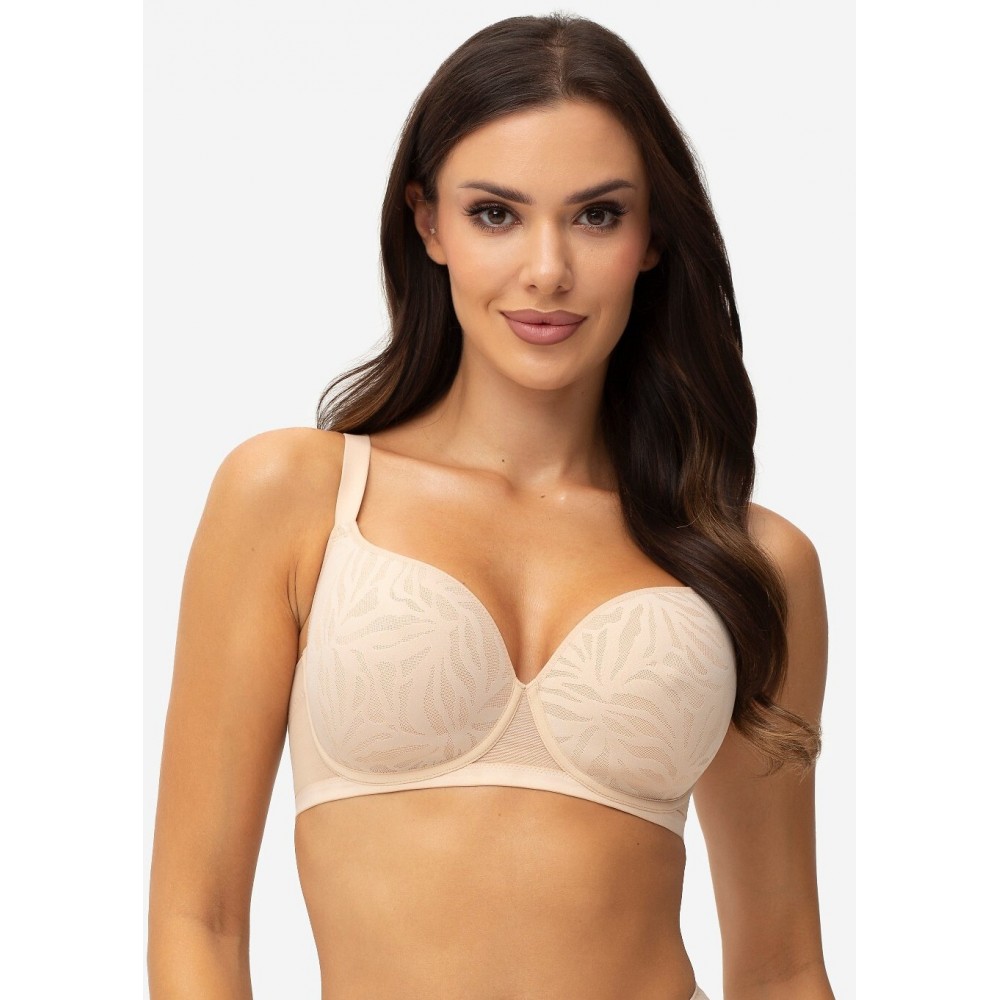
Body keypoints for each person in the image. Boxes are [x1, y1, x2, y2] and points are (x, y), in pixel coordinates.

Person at [148, 12, 834, 1000]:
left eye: (597, 215)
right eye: (496, 214)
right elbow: (198, 919)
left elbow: (780, 967)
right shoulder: (294, 496)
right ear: (429, 222)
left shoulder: (752, 562)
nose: (546, 268)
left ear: (651, 236)